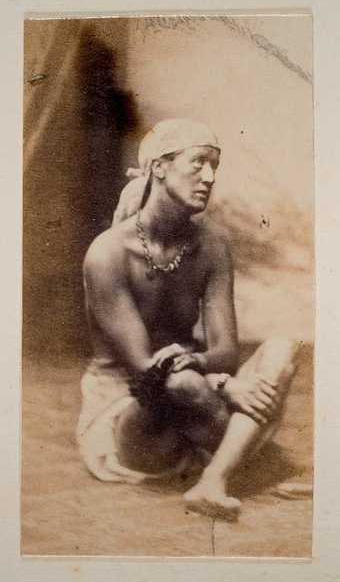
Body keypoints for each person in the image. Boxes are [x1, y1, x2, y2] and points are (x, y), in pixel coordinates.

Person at [77, 118, 300, 520]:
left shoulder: (212, 246)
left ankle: (213, 479)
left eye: (215, 166)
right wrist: (219, 383)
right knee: (180, 381)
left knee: (283, 348)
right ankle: (252, 462)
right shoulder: (107, 253)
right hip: (129, 414)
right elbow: (147, 370)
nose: (209, 177)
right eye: (197, 163)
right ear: (159, 167)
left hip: (194, 395)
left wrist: (210, 369)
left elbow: (226, 352)